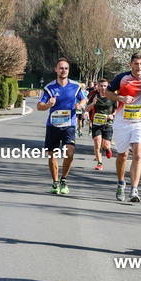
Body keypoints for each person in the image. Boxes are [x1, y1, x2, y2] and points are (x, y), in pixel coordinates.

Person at [105, 51, 141, 203]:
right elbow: (107, 92)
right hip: (122, 121)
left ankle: (134, 190)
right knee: (123, 155)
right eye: (136, 64)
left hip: (140, 121)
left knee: (138, 154)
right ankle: (121, 183)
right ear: (131, 64)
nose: (139, 67)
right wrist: (120, 97)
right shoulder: (122, 78)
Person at [37, 57, 87, 194]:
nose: (63, 70)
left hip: (69, 125)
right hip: (53, 125)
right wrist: (49, 104)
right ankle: (55, 182)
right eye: (61, 68)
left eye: (66, 68)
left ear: (68, 70)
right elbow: (39, 106)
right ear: (56, 70)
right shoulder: (49, 87)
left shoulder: (76, 86)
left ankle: (64, 179)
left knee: (69, 152)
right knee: (52, 155)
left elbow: (84, 98)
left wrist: (80, 105)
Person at [86, 77, 114, 170]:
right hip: (96, 123)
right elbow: (87, 109)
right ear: (98, 86)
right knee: (97, 143)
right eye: (101, 86)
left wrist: (112, 115)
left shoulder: (112, 96)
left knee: (105, 145)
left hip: (108, 123)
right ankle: (99, 163)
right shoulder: (94, 96)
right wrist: (92, 103)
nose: (103, 88)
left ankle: (106, 149)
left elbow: (117, 109)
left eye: (105, 86)